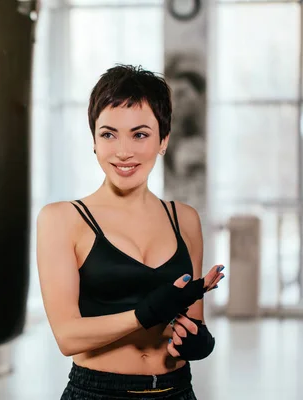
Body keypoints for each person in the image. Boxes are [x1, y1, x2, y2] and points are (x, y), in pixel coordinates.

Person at [36, 65, 224, 400]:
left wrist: (198, 341)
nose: (124, 151)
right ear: (93, 140)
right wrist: (146, 313)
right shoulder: (62, 219)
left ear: (163, 140)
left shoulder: (185, 219)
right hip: (98, 392)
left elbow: (192, 319)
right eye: (109, 134)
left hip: (177, 390)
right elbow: (68, 337)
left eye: (140, 135)